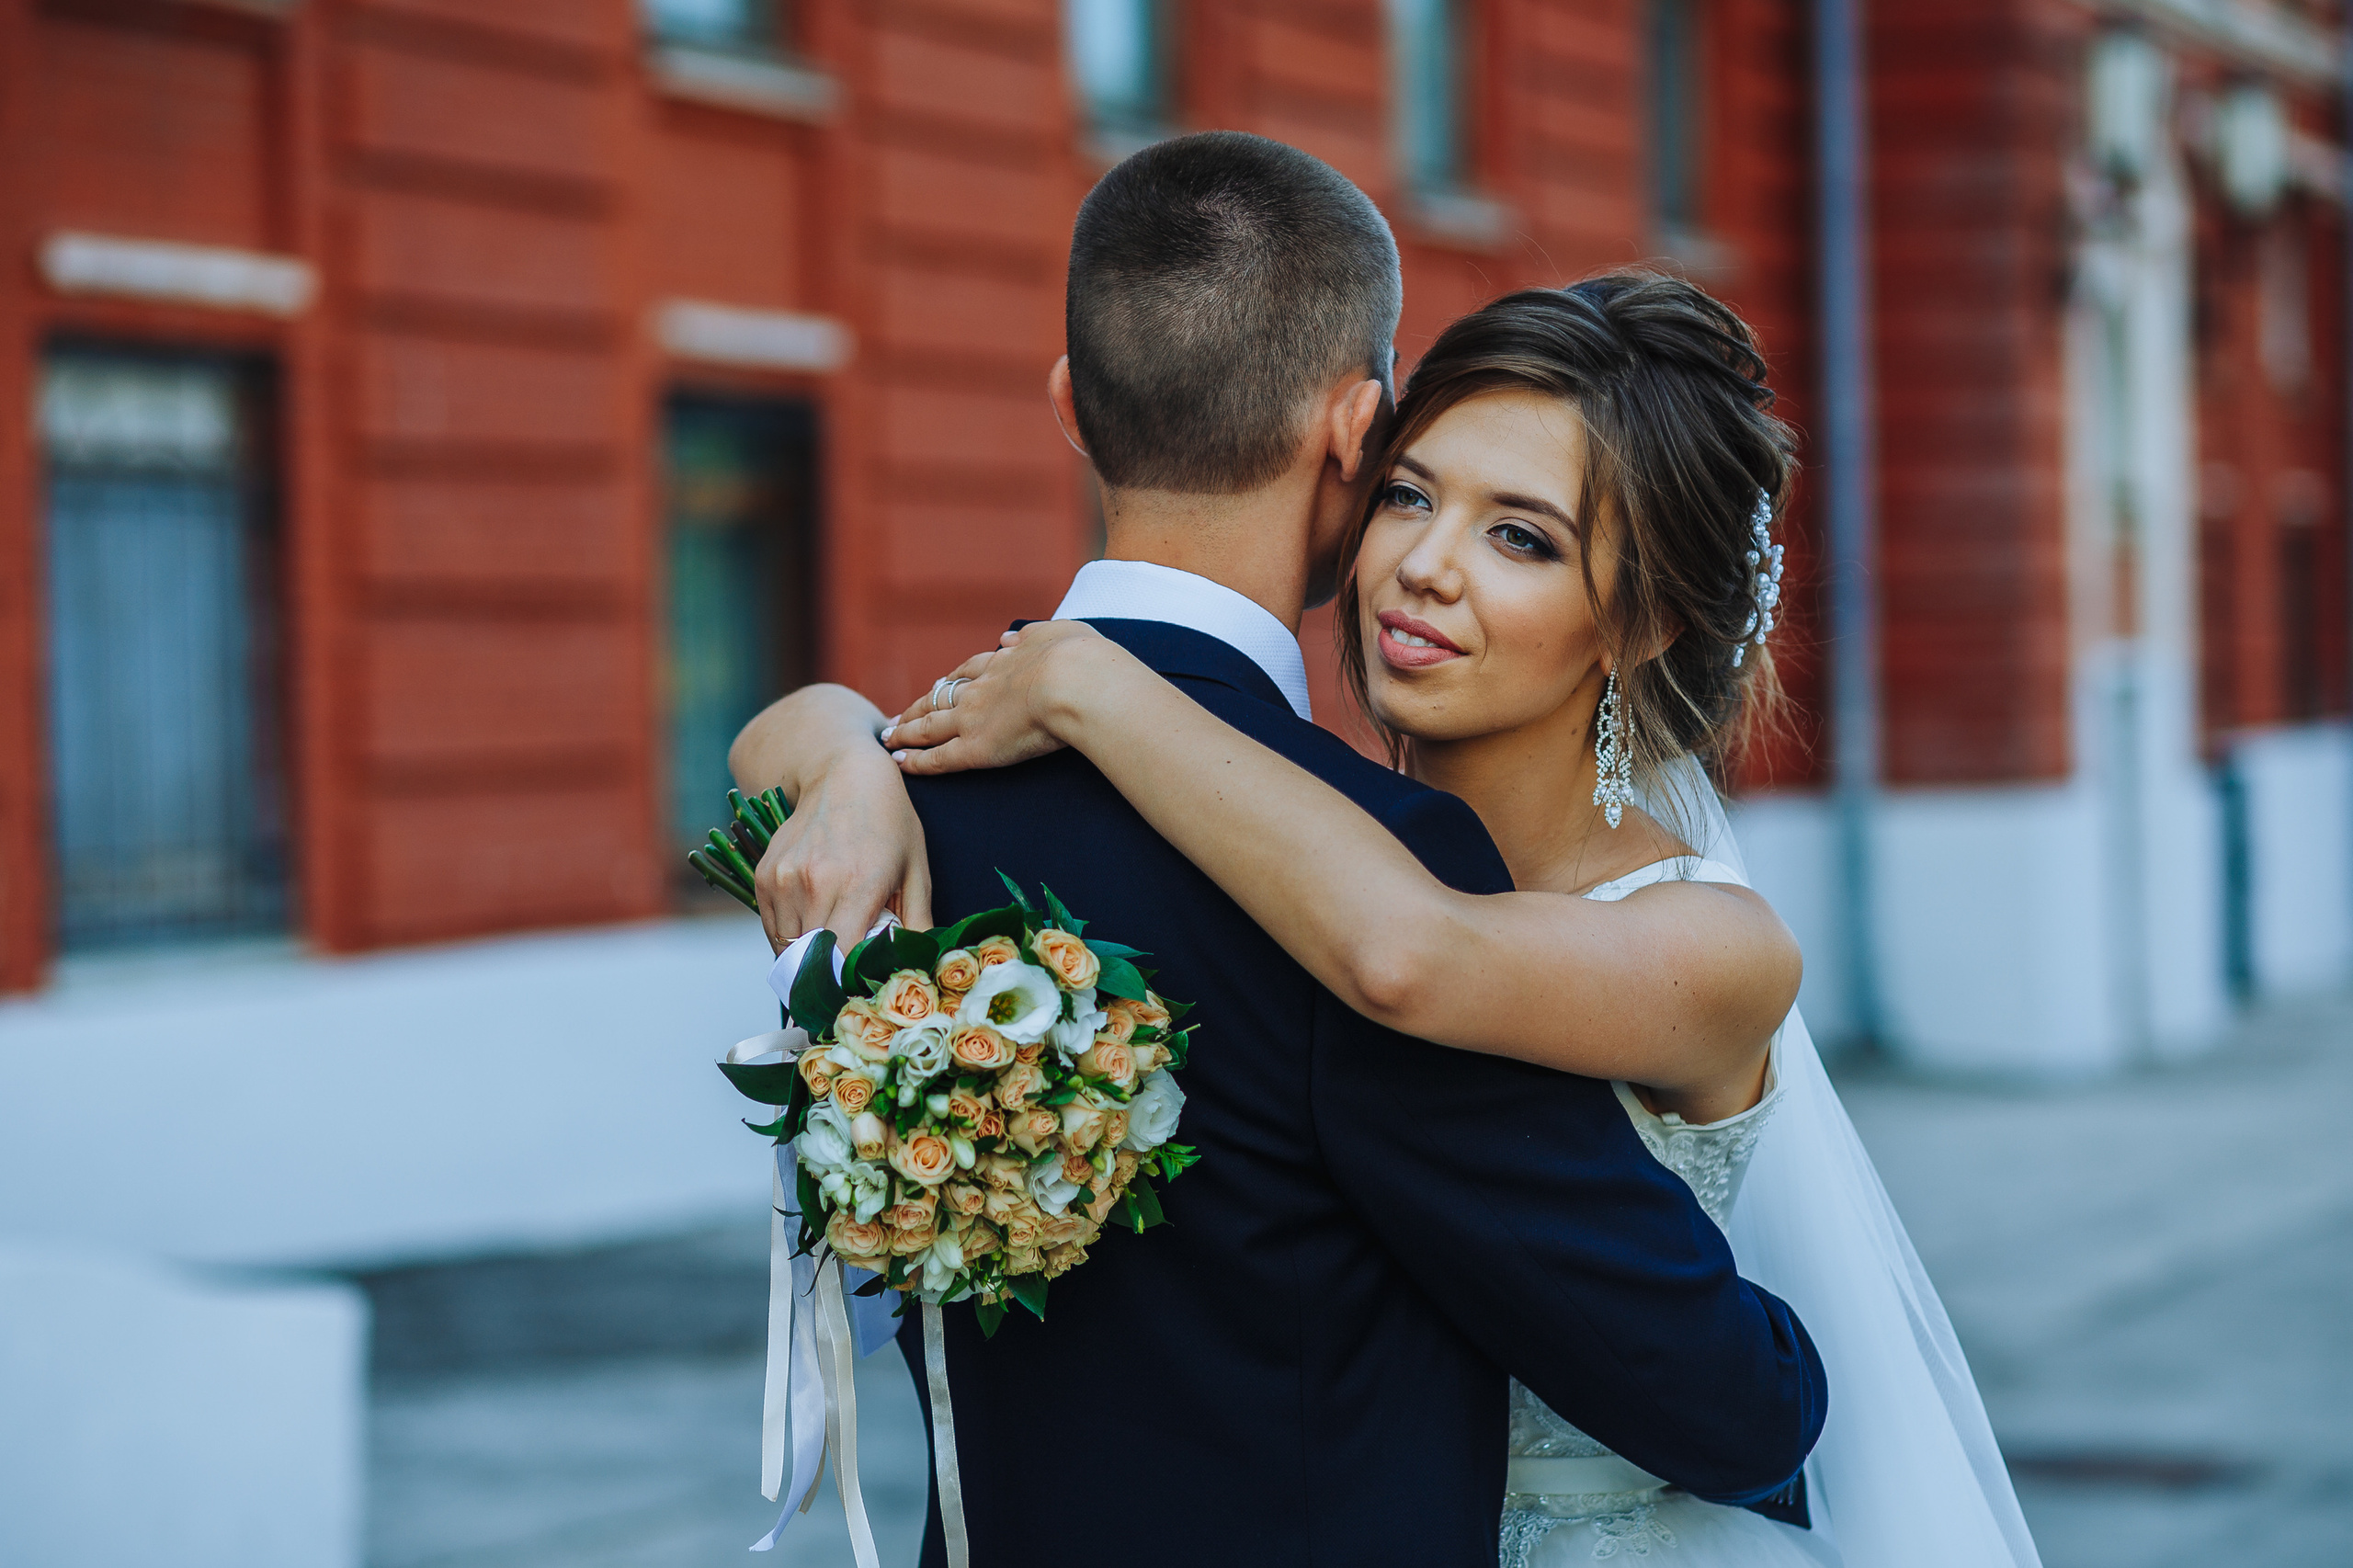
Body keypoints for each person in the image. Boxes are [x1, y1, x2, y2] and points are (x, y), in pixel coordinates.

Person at [732, 132, 1828, 1568]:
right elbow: (1737, 1402)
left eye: (1523, 536)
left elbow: (1411, 954)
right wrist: (857, 741)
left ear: (1072, 408)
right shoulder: (1383, 851)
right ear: (1355, 439)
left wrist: (872, 740)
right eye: (1419, 493)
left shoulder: (927, 779)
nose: (1429, 561)